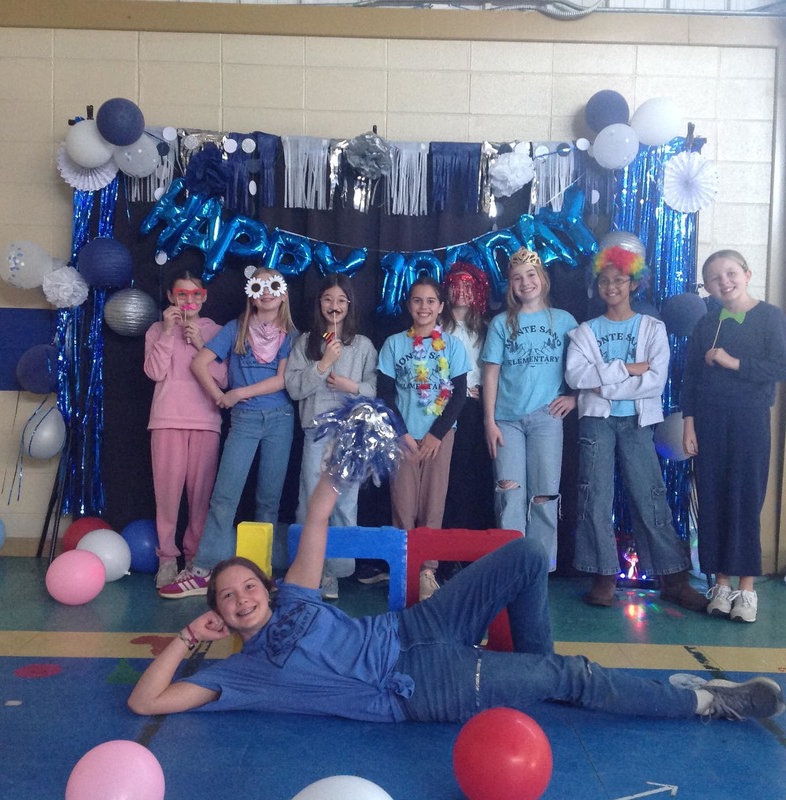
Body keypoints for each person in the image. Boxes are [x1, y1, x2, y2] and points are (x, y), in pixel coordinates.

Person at [127, 400, 784, 725]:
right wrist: (186, 637)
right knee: (571, 673)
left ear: (267, 588)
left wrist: (341, 460)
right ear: (220, 616)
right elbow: (145, 700)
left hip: (414, 628)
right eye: (229, 600)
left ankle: (545, 677)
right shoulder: (241, 677)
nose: (242, 598)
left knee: (525, 552)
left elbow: (321, 512)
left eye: (247, 585)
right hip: (414, 686)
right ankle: (706, 702)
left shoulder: (294, 597)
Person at [565, 244, 707, 611]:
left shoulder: (651, 328)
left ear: (633, 284)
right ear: (597, 286)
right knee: (594, 496)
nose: (612, 287)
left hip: (638, 421)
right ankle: (603, 575)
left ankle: (673, 578)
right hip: (597, 420)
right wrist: (628, 368)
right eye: (605, 281)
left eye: (619, 280)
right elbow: (577, 376)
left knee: (650, 494)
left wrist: (605, 380)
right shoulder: (584, 332)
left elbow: (655, 382)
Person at [159, 266, 296, 599]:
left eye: (273, 286)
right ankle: (204, 569)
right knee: (224, 497)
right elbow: (199, 363)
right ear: (250, 291)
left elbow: (282, 380)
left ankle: (261, 572)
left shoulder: (290, 333)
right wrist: (220, 395)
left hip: (280, 419)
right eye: (260, 286)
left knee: (268, 501)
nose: (267, 292)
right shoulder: (235, 329)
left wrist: (236, 393)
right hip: (245, 421)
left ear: (283, 294)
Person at [681, 250, 786, 623]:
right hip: (710, 424)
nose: (724, 282)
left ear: (747, 272)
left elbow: (778, 365)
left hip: (750, 422)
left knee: (745, 498)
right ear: (707, 286)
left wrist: (733, 362)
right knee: (713, 498)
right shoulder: (706, 324)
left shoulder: (771, 317)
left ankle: (747, 588)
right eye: (714, 278)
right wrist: (689, 425)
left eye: (730, 273)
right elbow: (690, 380)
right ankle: (721, 584)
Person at [481, 249, 577, 570]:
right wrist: (489, 421)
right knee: (509, 492)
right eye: (517, 278)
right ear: (510, 285)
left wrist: (575, 398)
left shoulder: (563, 321)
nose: (526, 282)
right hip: (507, 420)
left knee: (544, 495)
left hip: (546, 418)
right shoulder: (500, 323)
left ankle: (540, 566)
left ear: (543, 279)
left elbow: (584, 366)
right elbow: (491, 372)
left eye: (531, 275)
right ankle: (511, 564)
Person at [285, 274, 378, 600]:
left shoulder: (363, 345)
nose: (334, 306)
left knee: (344, 501)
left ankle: (335, 572)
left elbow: (375, 391)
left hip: (350, 432)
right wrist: (323, 363)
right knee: (311, 497)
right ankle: (309, 567)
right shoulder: (306, 342)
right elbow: (295, 388)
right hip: (316, 429)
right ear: (319, 303)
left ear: (349, 304)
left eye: (341, 300)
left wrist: (350, 386)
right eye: (328, 299)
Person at [378, 276, 470, 600]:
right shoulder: (394, 344)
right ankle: (405, 570)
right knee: (403, 505)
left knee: (433, 504)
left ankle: (427, 572)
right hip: (402, 437)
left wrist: (436, 435)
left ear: (441, 307)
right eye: (417, 300)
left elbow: (459, 396)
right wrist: (402, 432)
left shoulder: (454, 347)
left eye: (431, 301)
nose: (424, 307)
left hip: (439, 437)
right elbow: (386, 394)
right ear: (409, 306)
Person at [143, 271, 227, 588]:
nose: (188, 301)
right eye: (182, 294)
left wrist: (202, 345)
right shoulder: (156, 329)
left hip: (206, 422)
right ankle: (167, 559)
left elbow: (223, 379)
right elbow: (154, 371)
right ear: (171, 297)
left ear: (204, 298)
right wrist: (167, 332)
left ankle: (195, 559)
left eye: (195, 295)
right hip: (166, 420)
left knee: (201, 498)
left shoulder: (216, 331)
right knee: (166, 497)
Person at [441, 261, 494, 532]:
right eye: (456, 285)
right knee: (446, 476)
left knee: (469, 474)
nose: (461, 291)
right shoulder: (437, 325)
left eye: (468, 286)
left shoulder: (485, 330)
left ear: (478, 293)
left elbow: (491, 368)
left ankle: (466, 542)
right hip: (441, 407)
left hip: (472, 408)